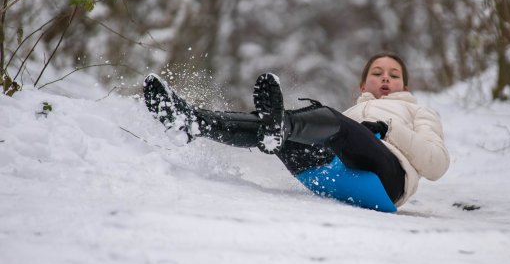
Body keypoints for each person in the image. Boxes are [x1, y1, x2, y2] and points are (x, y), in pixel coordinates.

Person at [143, 53, 450, 209]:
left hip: (387, 183)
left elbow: (437, 164)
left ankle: (282, 125)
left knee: (327, 120)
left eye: (394, 75)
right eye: (377, 73)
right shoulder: (352, 113)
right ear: (362, 85)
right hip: (330, 176)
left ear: (405, 86)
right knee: (285, 128)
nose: (385, 79)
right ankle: (192, 121)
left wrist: (390, 128)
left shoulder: (419, 112)